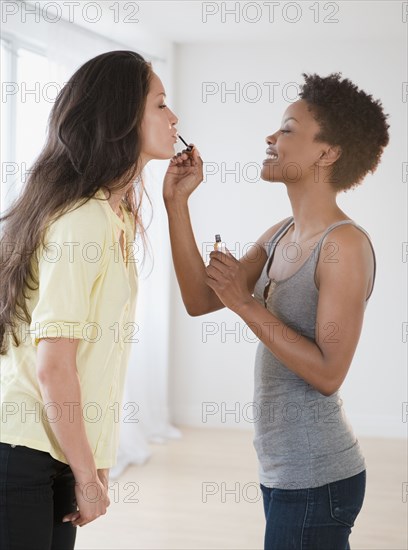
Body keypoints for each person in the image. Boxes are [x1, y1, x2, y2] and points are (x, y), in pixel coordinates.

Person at [163, 73, 389, 549]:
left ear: (327, 153)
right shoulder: (281, 233)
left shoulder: (343, 246)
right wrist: (177, 204)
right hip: (284, 469)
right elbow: (200, 300)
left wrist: (244, 302)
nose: (270, 138)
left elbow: (329, 373)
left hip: (317, 476)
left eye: (286, 129)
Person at [0, 50, 178, 550]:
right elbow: (55, 367)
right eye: (161, 105)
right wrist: (87, 475)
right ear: (122, 117)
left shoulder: (114, 217)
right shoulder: (84, 220)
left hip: (53, 447)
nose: (174, 117)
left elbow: (101, 359)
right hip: (23, 450)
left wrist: (93, 462)